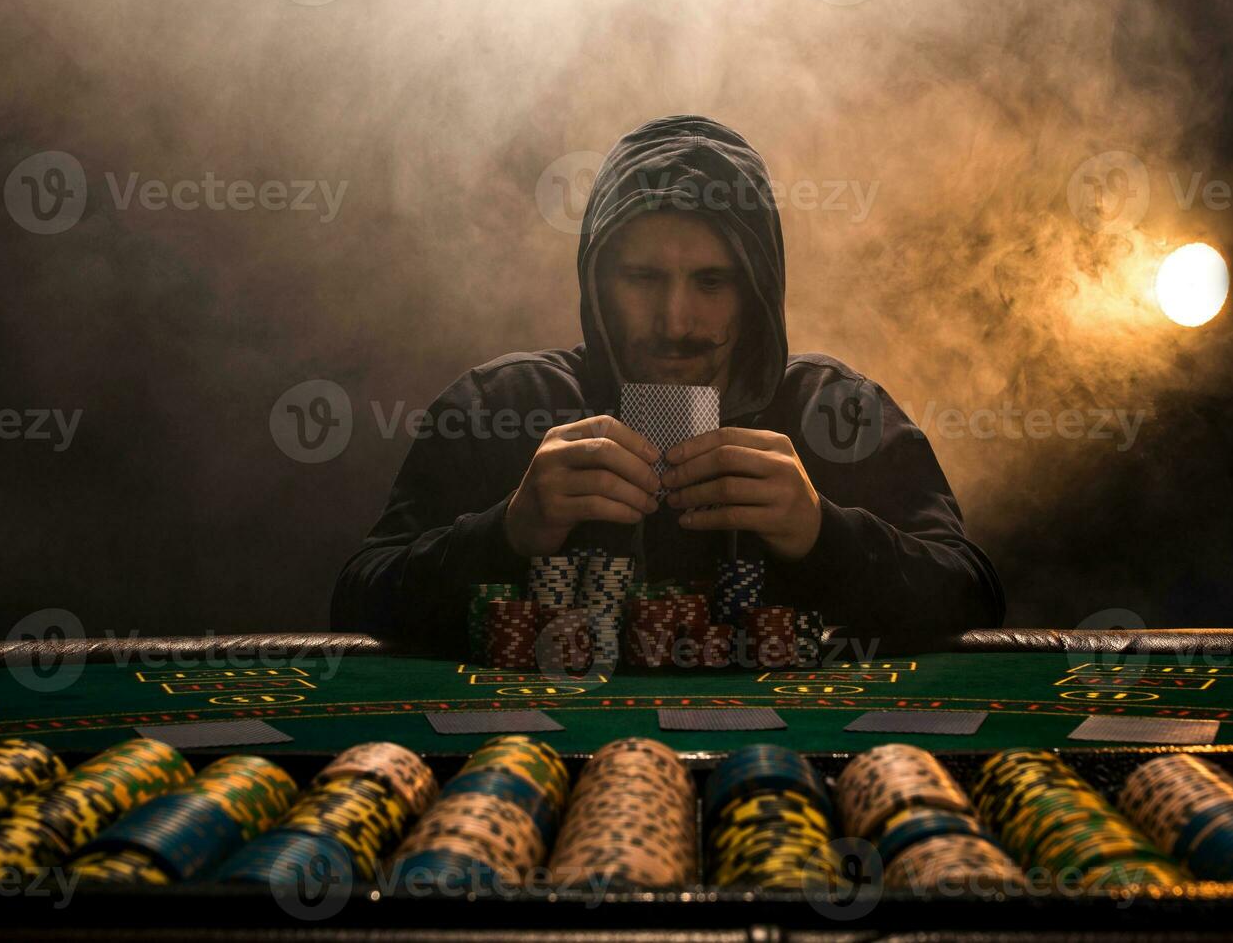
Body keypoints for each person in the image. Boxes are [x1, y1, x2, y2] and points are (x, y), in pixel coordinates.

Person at [331, 114, 1003, 655]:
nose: (675, 321)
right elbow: (356, 601)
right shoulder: (500, 406)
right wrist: (505, 532)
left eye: (712, 282)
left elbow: (974, 595)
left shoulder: (836, 409)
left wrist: (823, 532)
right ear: (598, 282)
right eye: (643, 279)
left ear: (758, 293)